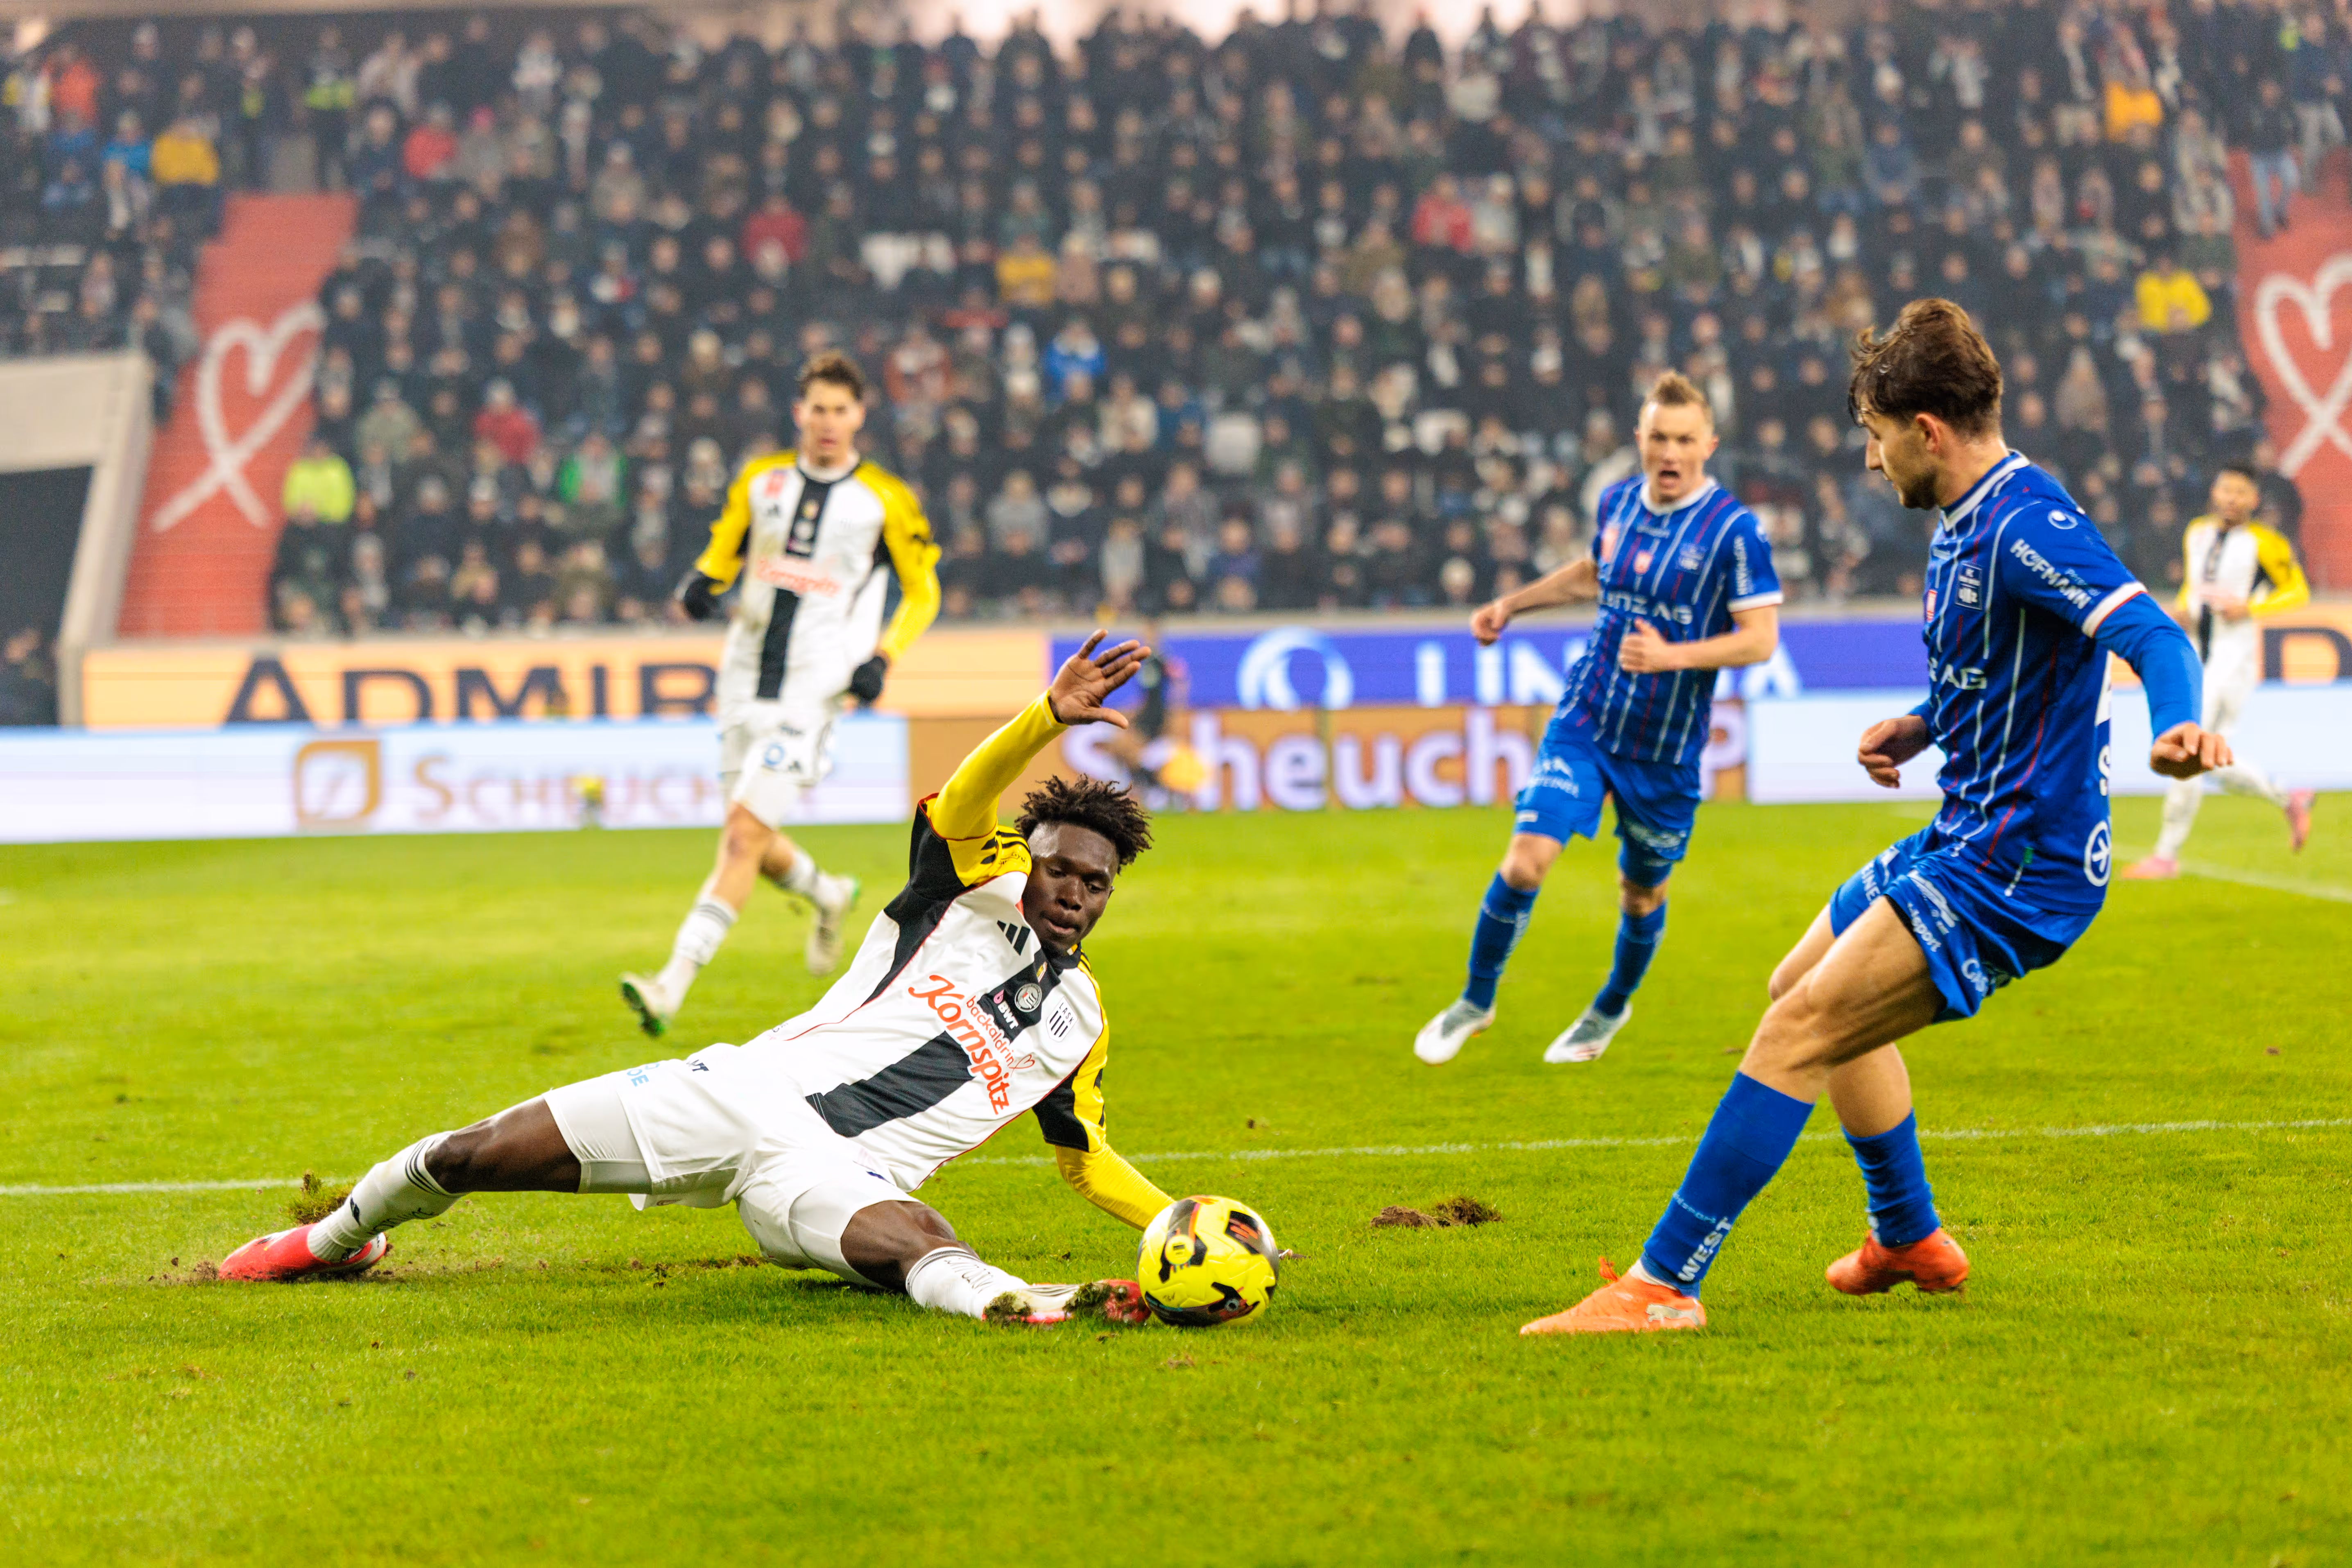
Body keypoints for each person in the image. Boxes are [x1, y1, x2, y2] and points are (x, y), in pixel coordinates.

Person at [1522, 300, 2227, 1335]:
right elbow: (2008, 668)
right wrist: (1927, 723)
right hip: (1965, 832)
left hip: (2017, 866)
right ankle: (1905, 1235)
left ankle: (1660, 1286)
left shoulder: (2025, 522)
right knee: (1798, 984)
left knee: (1795, 1031)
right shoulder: (1966, 523)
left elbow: (2153, 634)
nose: (1868, 461)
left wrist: (2178, 728)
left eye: (1875, 436)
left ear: (1926, 431)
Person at [221, 636, 1173, 1327]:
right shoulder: (969, 886)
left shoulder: (1077, 1022)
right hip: (737, 1092)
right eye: (1060, 870)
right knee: (467, 1157)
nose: (1073, 893)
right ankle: (336, 1240)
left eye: (1095, 884)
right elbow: (963, 798)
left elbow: (1084, 1157)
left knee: (922, 1240)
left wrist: (1170, 1222)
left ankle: (1044, 1304)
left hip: (839, 1174)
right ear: (1029, 859)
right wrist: (1042, 721)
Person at [1414, 372, 1782, 1068]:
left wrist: (1674, 655)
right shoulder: (1616, 503)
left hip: (1664, 751)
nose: (1669, 452)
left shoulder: (1735, 532)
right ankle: (1475, 996)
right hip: (1587, 718)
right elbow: (1592, 573)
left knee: (1640, 892)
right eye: (1657, 438)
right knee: (1526, 859)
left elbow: (1759, 638)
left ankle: (1611, 1003)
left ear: (1707, 443)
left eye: (1683, 439)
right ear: (1638, 440)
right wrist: (1510, 605)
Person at [620, 352, 941, 1035]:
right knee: (753, 839)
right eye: (817, 409)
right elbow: (723, 554)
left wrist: (883, 656)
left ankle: (669, 985)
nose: (828, 422)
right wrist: (701, 583)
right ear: (799, 413)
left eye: (841, 410)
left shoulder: (883, 499)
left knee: (739, 837)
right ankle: (830, 894)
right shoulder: (760, 482)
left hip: (815, 690)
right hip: (740, 679)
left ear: (860, 416)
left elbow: (923, 590)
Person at [2121, 465, 2316, 878]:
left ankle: (2166, 855)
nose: (2231, 497)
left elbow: (2297, 589)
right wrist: (2185, 607)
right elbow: (2196, 585)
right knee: (2209, 754)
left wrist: (2250, 607)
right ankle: (2288, 796)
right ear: (2214, 491)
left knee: (2189, 743)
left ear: (2253, 500)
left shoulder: (2266, 543)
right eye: (2226, 488)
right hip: (2196, 652)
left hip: (2234, 658)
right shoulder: (2197, 532)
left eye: (2240, 491)